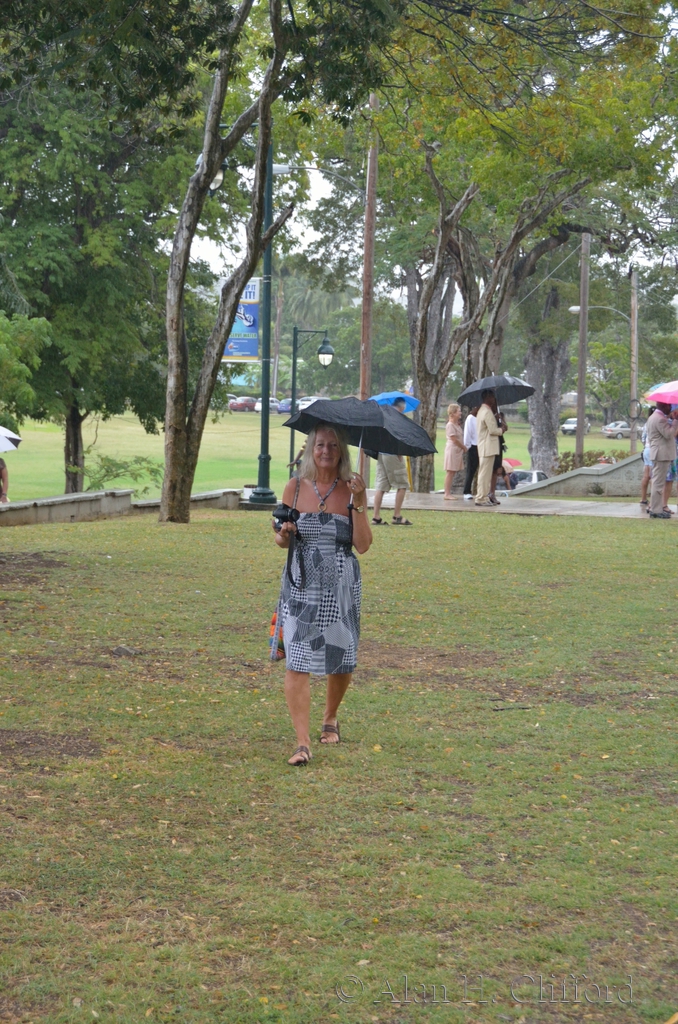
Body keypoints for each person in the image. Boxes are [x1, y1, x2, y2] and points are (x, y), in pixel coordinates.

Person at [273, 424, 372, 765]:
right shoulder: (295, 488)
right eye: (319, 445)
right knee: (297, 660)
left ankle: (330, 717)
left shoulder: (352, 490)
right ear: (311, 449)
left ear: (342, 451)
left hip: (341, 586)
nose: (325, 451)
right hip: (301, 584)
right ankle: (302, 743)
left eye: (332, 445)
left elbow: (363, 545)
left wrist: (360, 502)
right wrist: (285, 534)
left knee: (340, 657)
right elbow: (279, 538)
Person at [372, 397, 412, 525]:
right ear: (402, 406)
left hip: (381, 453)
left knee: (381, 486)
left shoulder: (383, 415)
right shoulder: (397, 418)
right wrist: (399, 453)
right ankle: (397, 516)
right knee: (402, 484)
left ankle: (376, 517)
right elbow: (397, 437)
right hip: (393, 454)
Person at [645, 402, 678, 518]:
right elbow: (669, 434)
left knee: (657, 482)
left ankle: (656, 508)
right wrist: (675, 421)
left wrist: (670, 418)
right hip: (661, 454)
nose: (670, 408)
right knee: (658, 483)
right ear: (664, 406)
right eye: (669, 406)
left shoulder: (654, 417)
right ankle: (656, 510)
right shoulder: (659, 419)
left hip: (658, 453)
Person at [475, 390, 505, 507]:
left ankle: (483, 496)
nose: (494, 399)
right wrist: (502, 429)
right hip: (487, 447)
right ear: (487, 397)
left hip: (484, 446)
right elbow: (493, 430)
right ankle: (481, 497)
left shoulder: (482, 411)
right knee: (485, 474)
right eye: (492, 397)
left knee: (484, 474)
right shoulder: (487, 412)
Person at [488, 395, 508, 505]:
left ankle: (492, 492)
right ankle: (488, 492)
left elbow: (505, 427)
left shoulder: (499, 416)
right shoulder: (489, 416)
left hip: (499, 443)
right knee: (490, 469)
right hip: (491, 443)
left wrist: (501, 420)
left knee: (496, 469)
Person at [443, 403, 466, 498]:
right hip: (452, 450)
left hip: (457, 451)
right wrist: (463, 447)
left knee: (453, 472)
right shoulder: (450, 425)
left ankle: (448, 492)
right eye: (458, 411)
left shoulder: (456, 424)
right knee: (450, 472)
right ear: (453, 413)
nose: (460, 413)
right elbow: (454, 439)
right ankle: (447, 493)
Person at [462, 405, 480, 500]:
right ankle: (467, 491)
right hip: (473, 445)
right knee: (471, 469)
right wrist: (467, 446)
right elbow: (467, 433)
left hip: (482, 445)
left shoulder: (481, 417)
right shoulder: (470, 418)